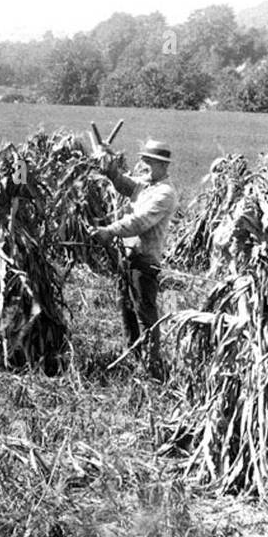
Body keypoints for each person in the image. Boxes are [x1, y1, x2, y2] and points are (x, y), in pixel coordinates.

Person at [87, 139, 180, 378]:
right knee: (126, 308)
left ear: (163, 165)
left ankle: (152, 365)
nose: (145, 165)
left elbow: (139, 222)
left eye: (150, 162)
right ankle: (133, 356)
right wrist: (109, 167)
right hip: (127, 258)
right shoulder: (145, 185)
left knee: (144, 313)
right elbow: (123, 183)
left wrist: (109, 230)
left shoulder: (165, 193)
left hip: (145, 261)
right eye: (144, 160)